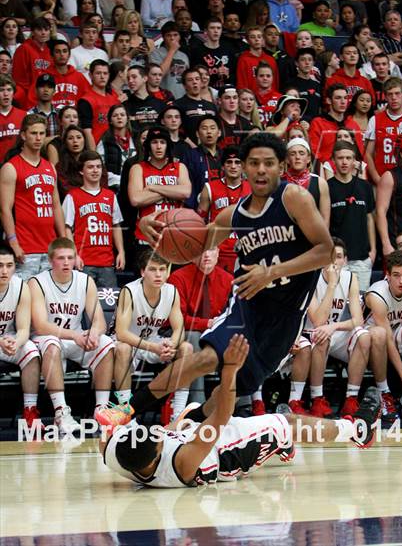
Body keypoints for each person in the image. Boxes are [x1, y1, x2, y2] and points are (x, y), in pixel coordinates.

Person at [100, 132, 335, 429]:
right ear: (245, 168)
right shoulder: (231, 215)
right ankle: (124, 411)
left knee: (230, 390)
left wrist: (273, 272)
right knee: (204, 359)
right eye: (254, 163)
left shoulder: (294, 198)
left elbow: (326, 251)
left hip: (285, 318)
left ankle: (188, 425)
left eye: (269, 163)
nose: (261, 170)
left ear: (281, 167)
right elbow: (190, 247)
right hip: (248, 307)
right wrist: (151, 229)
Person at [101, 333, 382, 486]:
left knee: (199, 407)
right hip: (222, 455)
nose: (157, 431)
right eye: (158, 435)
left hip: (188, 435)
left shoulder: (114, 452)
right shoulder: (180, 465)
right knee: (283, 423)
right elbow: (222, 417)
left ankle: (279, 444)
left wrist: (119, 413)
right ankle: (356, 430)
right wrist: (231, 370)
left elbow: (106, 430)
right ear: (158, 453)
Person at [29, 237, 116, 435]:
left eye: (70, 257)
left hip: (75, 339)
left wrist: (94, 332)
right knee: (51, 343)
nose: (66, 262)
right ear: (51, 261)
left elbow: (99, 320)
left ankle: (101, 411)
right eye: (61, 258)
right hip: (47, 339)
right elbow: (41, 326)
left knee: (106, 343)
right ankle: (61, 413)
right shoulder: (37, 283)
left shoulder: (86, 281)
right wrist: (75, 335)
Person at [299, 238, 393, 419]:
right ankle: (317, 399)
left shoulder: (350, 278)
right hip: (311, 334)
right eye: (330, 256)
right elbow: (318, 321)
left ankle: (351, 398)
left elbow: (357, 319)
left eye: (339, 257)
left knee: (363, 335)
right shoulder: (311, 277)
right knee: (321, 334)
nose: (334, 261)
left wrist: (334, 326)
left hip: (334, 331)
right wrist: (332, 285)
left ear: (345, 261)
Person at [109, 248, 193, 425]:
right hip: (126, 342)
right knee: (123, 348)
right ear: (142, 272)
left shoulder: (172, 292)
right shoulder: (129, 291)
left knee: (186, 348)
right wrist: (154, 347)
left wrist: (171, 345)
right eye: (153, 269)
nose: (158, 275)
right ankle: (125, 413)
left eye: (162, 269)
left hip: (151, 341)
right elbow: (121, 333)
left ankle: (177, 415)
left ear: (168, 271)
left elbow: (179, 329)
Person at [0, 114, 65, 281]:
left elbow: (56, 205)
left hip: (49, 247)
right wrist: (13, 242)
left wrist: (63, 240)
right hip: (25, 247)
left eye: (42, 134)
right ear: (23, 135)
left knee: (47, 302)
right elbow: (4, 209)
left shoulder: (50, 166)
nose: (38, 138)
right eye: (33, 133)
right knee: (23, 300)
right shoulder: (11, 167)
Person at [365, 250, 402, 421]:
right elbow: (387, 339)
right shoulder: (377, 294)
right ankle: (384, 394)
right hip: (366, 335)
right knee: (381, 334)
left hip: (392, 330)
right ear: (387, 275)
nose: (401, 281)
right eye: (396, 275)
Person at [63, 150, 125, 288]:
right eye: (90, 167)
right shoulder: (72, 196)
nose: (95, 170)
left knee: (109, 306)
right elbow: (66, 228)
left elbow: (116, 226)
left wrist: (121, 252)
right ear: (81, 171)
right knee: (84, 304)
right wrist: (73, 255)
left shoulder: (110, 196)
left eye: (98, 166)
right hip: (83, 262)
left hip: (107, 262)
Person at [0, 245, 42, 428]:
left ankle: (30, 412)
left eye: (9, 265)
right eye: (0, 266)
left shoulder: (21, 287)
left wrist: (16, 343)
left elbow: (24, 329)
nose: (4, 271)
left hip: (7, 339)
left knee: (31, 352)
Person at [127, 126, 191, 247]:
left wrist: (152, 187)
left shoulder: (179, 167)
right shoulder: (137, 168)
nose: (159, 146)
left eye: (162, 142)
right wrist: (172, 191)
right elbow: (136, 200)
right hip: (146, 236)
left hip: (174, 235)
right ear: (148, 146)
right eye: (154, 142)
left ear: (168, 145)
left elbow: (185, 193)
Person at [328, 141, 376, 292]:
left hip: (362, 256)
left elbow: (369, 218)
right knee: (336, 303)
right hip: (337, 257)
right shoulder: (326, 186)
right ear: (333, 160)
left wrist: (373, 250)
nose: (344, 162)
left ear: (354, 160)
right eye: (340, 158)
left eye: (348, 158)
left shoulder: (365, 186)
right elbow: (324, 223)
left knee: (361, 303)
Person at [197, 145, 251, 274]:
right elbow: (200, 221)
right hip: (217, 251)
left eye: (237, 162)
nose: (233, 166)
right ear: (222, 166)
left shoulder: (253, 188)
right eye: (229, 162)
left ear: (243, 166)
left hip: (245, 250)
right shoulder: (209, 187)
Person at [365, 77, 402, 185]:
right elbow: (368, 153)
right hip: (381, 177)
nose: (394, 98)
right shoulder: (374, 120)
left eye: (397, 93)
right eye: (390, 94)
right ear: (385, 96)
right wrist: (377, 178)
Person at [309, 83, 364, 167]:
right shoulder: (318, 123)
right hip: (326, 172)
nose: (343, 102)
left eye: (345, 98)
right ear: (329, 101)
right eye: (338, 98)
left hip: (351, 173)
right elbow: (314, 153)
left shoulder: (353, 124)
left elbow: (360, 155)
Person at [284, 138, 330, 225]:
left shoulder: (320, 183)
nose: (297, 157)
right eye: (293, 154)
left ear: (308, 158)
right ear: (287, 159)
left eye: (301, 153)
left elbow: (325, 221)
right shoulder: (278, 182)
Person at [77, 59, 120, 150]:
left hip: (116, 147)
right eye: (98, 73)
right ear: (90, 75)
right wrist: (94, 155)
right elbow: (87, 131)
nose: (102, 77)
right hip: (98, 147)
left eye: (105, 73)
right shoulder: (85, 100)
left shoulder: (114, 98)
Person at [11, 17, 53, 109]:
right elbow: (19, 79)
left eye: (46, 29)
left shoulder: (49, 51)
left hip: (44, 96)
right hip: (28, 97)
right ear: (33, 32)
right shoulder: (24, 49)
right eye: (39, 30)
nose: (43, 33)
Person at [96, 103, 136, 190]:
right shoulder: (104, 141)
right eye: (115, 115)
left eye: (122, 115)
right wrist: (122, 180)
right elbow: (100, 168)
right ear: (110, 120)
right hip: (115, 187)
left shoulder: (136, 138)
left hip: (137, 184)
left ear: (127, 118)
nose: (119, 117)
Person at [190, 17, 235, 89]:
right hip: (205, 91)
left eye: (218, 28)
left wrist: (228, 75)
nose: (216, 31)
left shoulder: (228, 50)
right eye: (212, 28)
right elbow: (194, 76)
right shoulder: (197, 52)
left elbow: (235, 74)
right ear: (205, 31)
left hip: (225, 91)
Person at [148, 21, 190, 100]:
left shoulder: (184, 56)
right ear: (163, 37)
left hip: (182, 97)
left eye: (175, 35)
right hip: (163, 97)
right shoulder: (156, 54)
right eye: (168, 35)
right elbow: (159, 74)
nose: (172, 38)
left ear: (180, 36)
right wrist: (172, 51)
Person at [175, 68, 218, 144]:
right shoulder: (178, 105)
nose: (194, 82)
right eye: (190, 80)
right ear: (184, 85)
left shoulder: (211, 106)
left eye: (197, 79)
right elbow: (176, 130)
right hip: (188, 149)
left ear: (201, 83)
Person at [124, 65, 166, 139]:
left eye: (134, 77)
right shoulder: (125, 105)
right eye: (128, 78)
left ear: (145, 78)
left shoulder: (161, 104)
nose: (130, 81)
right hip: (137, 146)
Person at [236, 27, 279, 94]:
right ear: (247, 40)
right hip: (251, 99)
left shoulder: (271, 59)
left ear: (263, 39)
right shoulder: (243, 59)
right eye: (253, 37)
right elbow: (242, 84)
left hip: (270, 98)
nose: (256, 39)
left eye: (259, 37)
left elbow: (275, 83)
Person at [218, 85, 254, 149]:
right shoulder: (214, 122)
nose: (232, 101)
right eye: (227, 98)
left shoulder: (245, 123)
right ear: (219, 101)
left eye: (235, 98)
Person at [0, 73, 25, 165]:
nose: (6, 94)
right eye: (1, 90)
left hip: (20, 166)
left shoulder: (25, 115)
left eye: (9, 90)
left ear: (13, 92)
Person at [27, 74, 59, 138]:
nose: (46, 90)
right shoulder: (29, 115)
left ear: (54, 91)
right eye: (42, 86)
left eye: (49, 87)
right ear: (36, 90)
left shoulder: (60, 114)